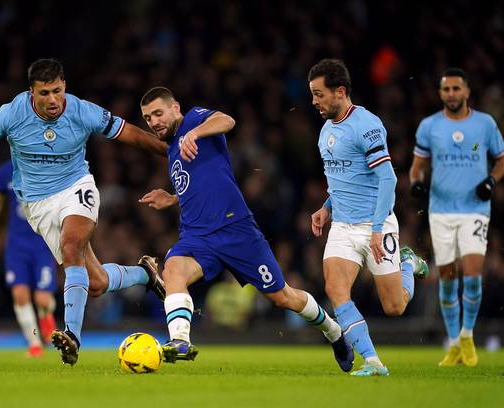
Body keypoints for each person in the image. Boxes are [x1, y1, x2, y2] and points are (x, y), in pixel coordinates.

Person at [0, 59, 166, 366]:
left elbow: (129, 133)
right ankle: (144, 273)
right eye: (45, 93)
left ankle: (72, 335)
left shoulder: (82, 111)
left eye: (57, 91)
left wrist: (168, 150)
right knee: (94, 283)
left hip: (76, 187)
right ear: (32, 92)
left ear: (65, 87)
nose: (53, 100)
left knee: (72, 248)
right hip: (37, 205)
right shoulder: (11, 114)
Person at [138, 86, 354, 373]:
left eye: (158, 113)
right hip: (197, 235)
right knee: (173, 269)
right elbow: (204, 181)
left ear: (175, 108)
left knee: (283, 297)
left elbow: (227, 120)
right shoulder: (172, 150)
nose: (154, 122)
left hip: (235, 229)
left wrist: (196, 132)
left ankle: (333, 331)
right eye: (147, 118)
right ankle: (180, 341)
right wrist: (174, 197)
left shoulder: (194, 120)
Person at [307, 59, 429, 377]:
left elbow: (387, 179)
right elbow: (344, 181)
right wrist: (326, 207)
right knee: (335, 288)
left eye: (319, 94)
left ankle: (408, 264)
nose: (314, 102)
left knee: (395, 307)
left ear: (340, 92)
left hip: (375, 224)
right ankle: (373, 361)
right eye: (313, 94)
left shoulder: (367, 125)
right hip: (343, 227)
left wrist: (376, 229)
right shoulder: (325, 131)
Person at [409, 68, 504, 367]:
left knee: (473, 274)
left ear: (466, 92)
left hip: (474, 209)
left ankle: (467, 334)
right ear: (440, 94)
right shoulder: (429, 127)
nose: (451, 94)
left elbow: (500, 159)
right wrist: (416, 183)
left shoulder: (484, 125)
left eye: (456, 88)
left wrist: (492, 181)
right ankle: (453, 343)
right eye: (446, 89)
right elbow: (417, 167)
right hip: (441, 212)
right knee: (447, 278)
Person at [0, 160, 57, 357]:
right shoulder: (5, 171)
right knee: (20, 294)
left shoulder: (47, 166)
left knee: (43, 299)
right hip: (17, 246)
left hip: (42, 243)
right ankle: (34, 342)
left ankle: (46, 317)